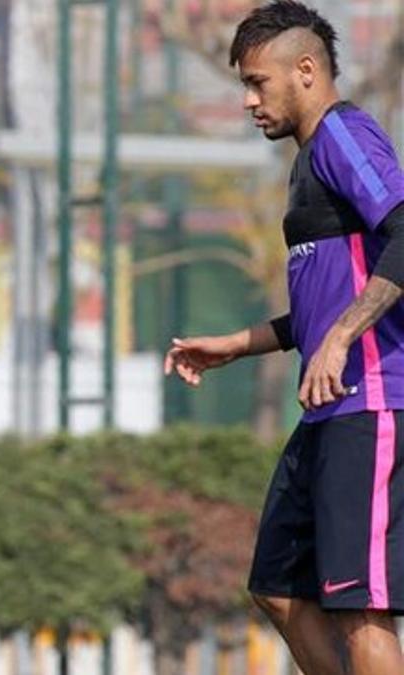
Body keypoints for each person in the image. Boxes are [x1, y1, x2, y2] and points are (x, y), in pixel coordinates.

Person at [165, 2, 404, 672]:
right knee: (278, 586)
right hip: (328, 410)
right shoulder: (306, 163)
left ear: (306, 70)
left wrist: (339, 340)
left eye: (256, 82)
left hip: (373, 401)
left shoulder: (345, 135)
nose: (247, 100)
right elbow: (326, 305)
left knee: (360, 608)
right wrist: (237, 344)